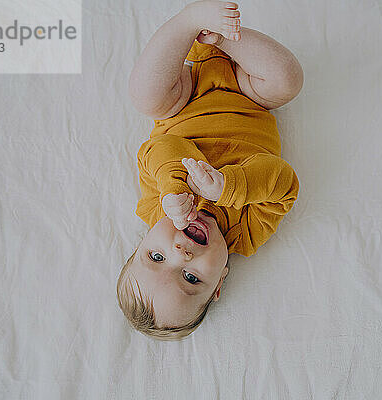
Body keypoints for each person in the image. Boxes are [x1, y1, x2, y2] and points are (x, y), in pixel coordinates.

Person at [117, 0, 303, 340]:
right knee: (288, 79)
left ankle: (187, 24)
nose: (180, 253)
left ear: (142, 242)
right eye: (191, 278)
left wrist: (175, 183)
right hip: (250, 94)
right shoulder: (247, 234)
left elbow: (156, 150)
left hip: (182, 98)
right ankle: (219, 37)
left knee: (145, 96)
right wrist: (231, 188)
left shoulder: (156, 206)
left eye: (155, 256)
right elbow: (284, 182)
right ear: (218, 284)